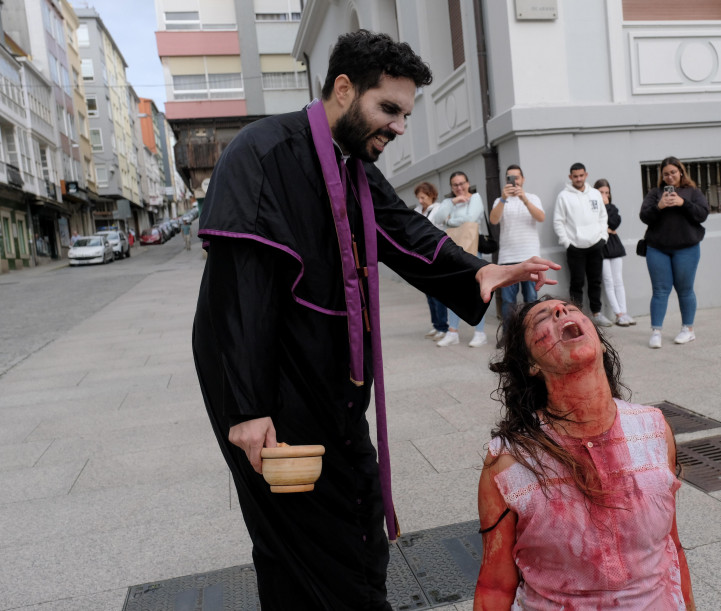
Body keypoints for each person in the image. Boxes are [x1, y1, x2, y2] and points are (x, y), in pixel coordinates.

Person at [192, 30, 559, 610]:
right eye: (388, 108)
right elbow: (242, 290)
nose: (397, 126)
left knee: (355, 509)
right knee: (300, 535)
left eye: (405, 114)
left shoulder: (350, 164)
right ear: (343, 88)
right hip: (271, 381)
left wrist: (476, 273)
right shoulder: (261, 151)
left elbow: (402, 231)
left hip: (331, 379)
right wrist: (248, 408)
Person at [474, 297, 694, 610]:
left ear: (601, 344)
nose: (560, 311)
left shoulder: (654, 429)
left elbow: (672, 548)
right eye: (542, 319)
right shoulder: (509, 462)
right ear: (532, 365)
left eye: (570, 308)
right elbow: (495, 586)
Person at [639, 156, 709, 349]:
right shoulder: (655, 194)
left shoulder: (692, 192)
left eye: (673, 172)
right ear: (662, 176)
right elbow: (644, 216)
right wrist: (659, 206)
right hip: (657, 248)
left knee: (685, 289)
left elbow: (703, 214)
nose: (670, 177)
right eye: (666, 174)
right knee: (660, 290)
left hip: (687, 248)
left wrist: (682, 203)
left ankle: (688, 329)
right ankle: (656, 331)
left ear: (681, 172)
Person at [434, 171, 489, 348]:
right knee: (453, 291)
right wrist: (452, 203)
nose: (459, 188)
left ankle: (480, 332)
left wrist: (450, 221)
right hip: (454, 251)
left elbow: (471, 218)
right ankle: (453, 332)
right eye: (455, 185)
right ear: (451, 187)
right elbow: (438, 218)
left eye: (462, 183)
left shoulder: (476, 198)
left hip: (473, 251)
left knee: (476, 291)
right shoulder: (448, 202)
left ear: (467, 183)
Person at [552, 163, 612, 327]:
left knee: (595, 281)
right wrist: (567, 243)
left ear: (586, 175)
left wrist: (603, 238)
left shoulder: (594, 194)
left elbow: (602, 217)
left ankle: (597, 314)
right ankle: (575, 316)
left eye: (581, 175)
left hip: (595, 245)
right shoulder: (564, 196)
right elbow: (558, 221)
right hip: (575, 248)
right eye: (575, 176)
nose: (578, 179)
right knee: (577, 283)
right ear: (570, 177)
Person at [490, 164, 544, 332]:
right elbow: (493, 220)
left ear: (523, 179)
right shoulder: (499, 200)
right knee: (508, 301)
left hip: (530, 256)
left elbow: (541, 217)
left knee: (531, 299)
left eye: (517, 178)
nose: (514, 181)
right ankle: (508, 337)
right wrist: (503, 199)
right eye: (509, 178)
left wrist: (525, 200)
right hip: (507, 258)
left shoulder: (533, 198)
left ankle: (532, 334)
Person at [595, 178, 634, 326]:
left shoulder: (613, 208)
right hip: (601, 247)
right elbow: (596, 225)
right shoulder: (593, 208)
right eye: (601, 192)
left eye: (607, 193)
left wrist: (606, 207)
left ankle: (623, 312)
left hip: (615, 246)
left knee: (618, 280)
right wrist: (606, 229)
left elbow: (614, 222)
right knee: (608, 281)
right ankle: (618, 313)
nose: (605, 195)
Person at [414, 181, 449, 342]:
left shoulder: (439, 209)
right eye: (418, 198)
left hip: (437, 256)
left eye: (423, 197)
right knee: (429, 294)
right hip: (423, 257)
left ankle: (443, 326)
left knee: (439, 294)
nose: (420, 201)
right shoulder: (417, 211)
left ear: (431, 195)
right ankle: (436, 325)